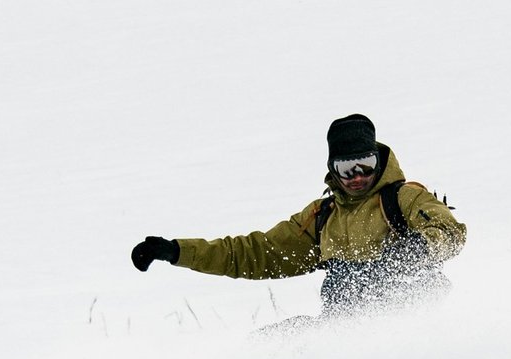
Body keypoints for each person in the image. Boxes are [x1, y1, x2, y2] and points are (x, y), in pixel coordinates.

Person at [130, 113, 467, 315]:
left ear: (380, 160)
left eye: (366, 164)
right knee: (273, 344)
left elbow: (449, 231)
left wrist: (418, 249)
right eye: (347, 168)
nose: (359, 176)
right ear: (333, 170)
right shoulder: (322, 218)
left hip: (409, 317)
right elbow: (257, 253)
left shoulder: (404, 199)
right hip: (346, 327)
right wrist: (177, 251)